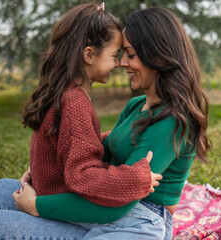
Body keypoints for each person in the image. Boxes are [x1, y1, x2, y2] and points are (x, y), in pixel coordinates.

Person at [0, 3, 164, 239]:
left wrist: (108, 138)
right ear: (89, 55)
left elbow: (71, 140)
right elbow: (84, 176)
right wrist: (135, 178)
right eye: (114, 55)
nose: (119, 63)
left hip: (50, 192)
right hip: (61, 201)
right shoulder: (75, 103)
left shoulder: (63, 92)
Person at [14, 6, 211, 240]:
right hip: (103, 206)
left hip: (141, 220)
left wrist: (37, 205)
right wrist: (45, 169)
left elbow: (122, 202)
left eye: (130, 54)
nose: (122, 62)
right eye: (121, 53)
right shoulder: (135, 106)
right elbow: (99, 157)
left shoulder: (172, 121)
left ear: (158, 56)